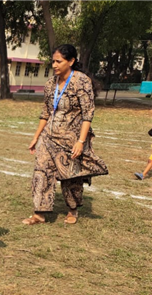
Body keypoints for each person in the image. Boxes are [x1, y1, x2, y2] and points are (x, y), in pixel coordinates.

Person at [24, 44, 108, 226]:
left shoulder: (81, 81)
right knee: (41, 171)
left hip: (71, 139)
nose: (54, 65)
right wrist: (36, 137)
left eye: (58, 61)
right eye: (53, 61)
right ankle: (39, 213)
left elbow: (88, 114)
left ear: (71, 61)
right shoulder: (50, 84)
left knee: (70, 177)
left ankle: (72, 209)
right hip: (48, 137)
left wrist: (81, 141)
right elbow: (46, 113)